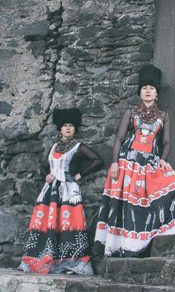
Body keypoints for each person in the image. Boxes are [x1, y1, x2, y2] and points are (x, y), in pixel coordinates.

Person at [94, 65, 175, 257]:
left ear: (156, 93)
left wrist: (163, 160)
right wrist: (115, 162)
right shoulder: (130, 113)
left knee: (172, 185)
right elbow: (119, 139)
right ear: (140, 92)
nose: (148, 91)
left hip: (150, 162)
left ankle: (154, 236)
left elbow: (166, 142)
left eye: (151, 88)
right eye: (144, 88)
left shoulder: (164, 116)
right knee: (127, 204)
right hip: (127, 161)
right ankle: (124, 245)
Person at [18, 108, 104, 275]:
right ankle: (44, 258)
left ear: (75, 128)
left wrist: (80, 174)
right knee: (47, 224)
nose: (68, 128)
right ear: (60, 128)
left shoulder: (79, 147)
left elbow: (97, 160)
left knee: (69, 224)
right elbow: (43, 167)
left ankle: (71, 261)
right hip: (50, 192)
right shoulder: (54, 147)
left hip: (68, 191)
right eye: (65, 125)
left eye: (71, 125)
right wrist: (47, 176)